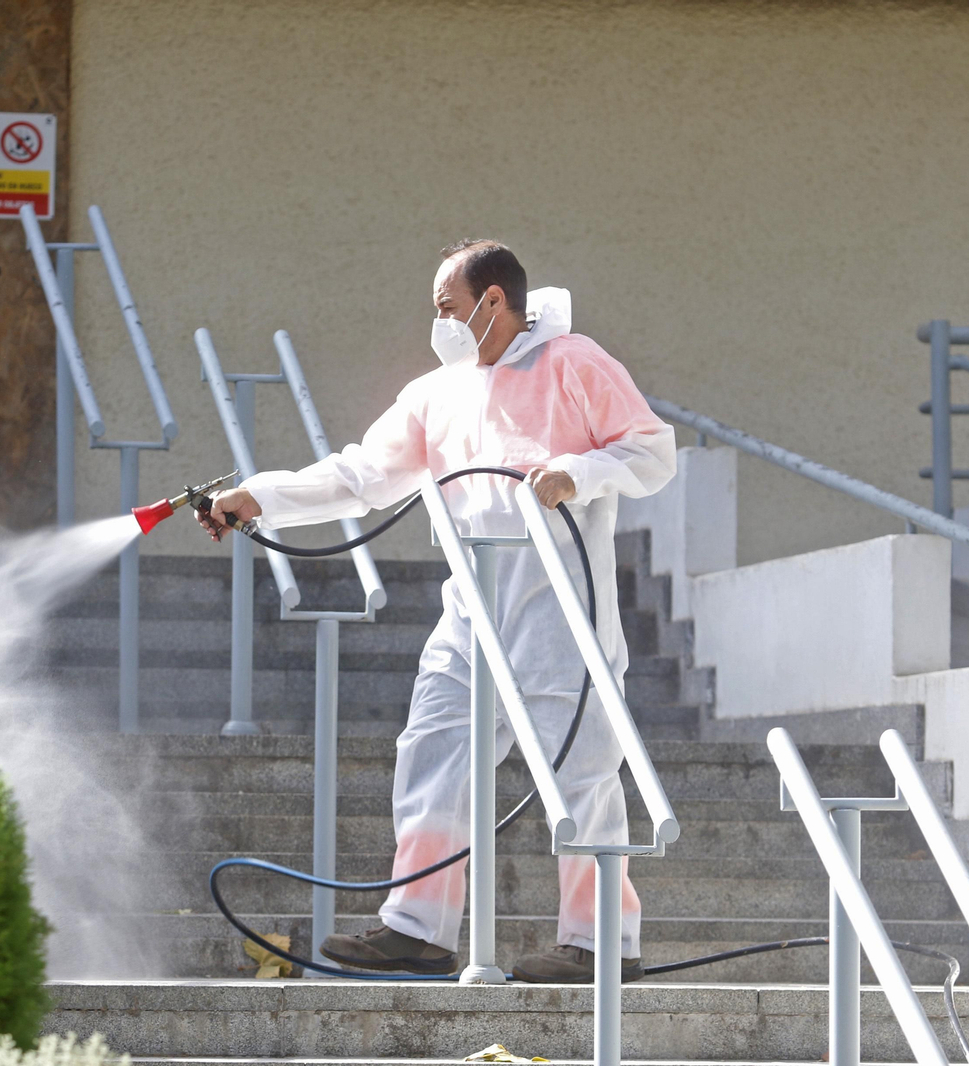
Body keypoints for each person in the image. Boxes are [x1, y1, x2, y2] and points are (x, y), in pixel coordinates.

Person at [199, 239, 676, 983]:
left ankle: (598, 942)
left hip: (562, 611)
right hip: (471, 612)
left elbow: (651, 452)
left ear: (493, 300)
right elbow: (361, 476)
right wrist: (260, 497)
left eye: (448, 305)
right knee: (431, 757)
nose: (441, 321)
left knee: (581, 774)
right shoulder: (438, 393)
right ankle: (418, 929)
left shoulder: (575, 362)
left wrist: (575, 473)